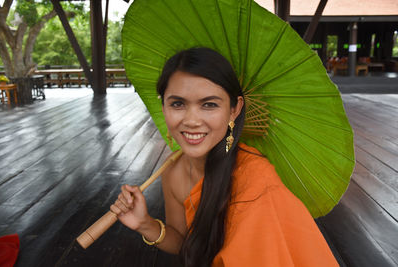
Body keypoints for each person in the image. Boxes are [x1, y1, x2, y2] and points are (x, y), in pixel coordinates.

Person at [110, 47, 338, 267]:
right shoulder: (172, 172)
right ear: (163, 107)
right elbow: (184, 243)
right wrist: (145, 224)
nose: (191, 120)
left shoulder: (256, 180)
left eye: (209, 104)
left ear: (234, 110)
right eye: (177, 104)